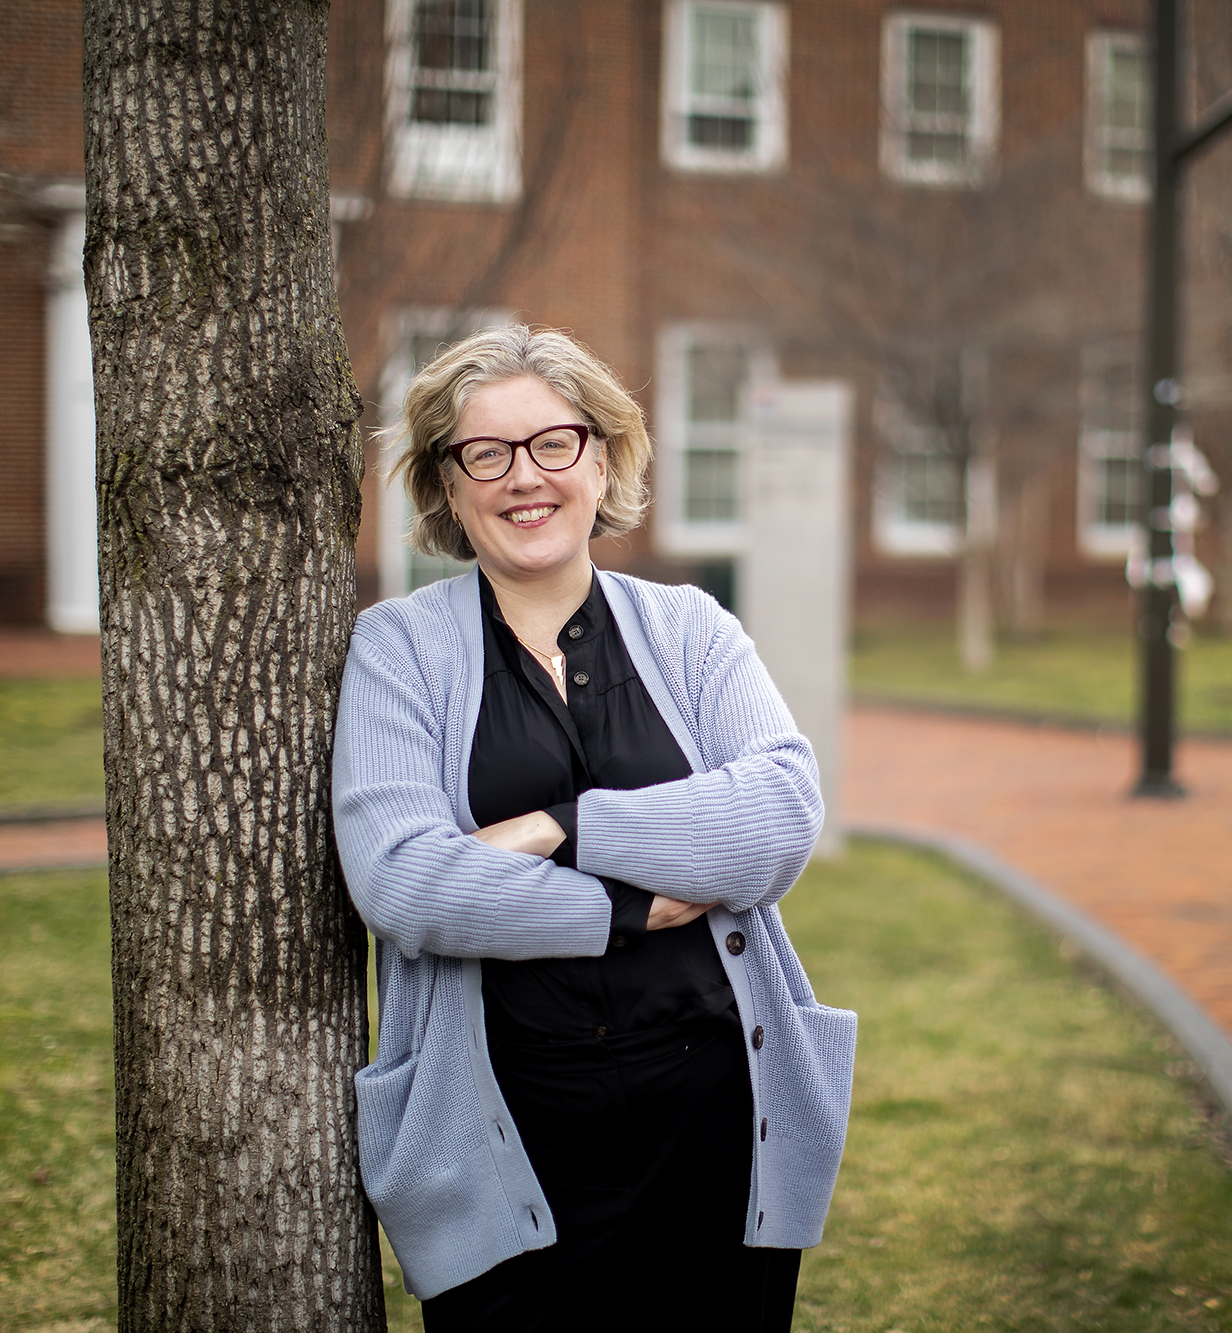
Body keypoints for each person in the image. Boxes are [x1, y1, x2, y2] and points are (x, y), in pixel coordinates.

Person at [333, 324, 856, 1331]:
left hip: (717, 1116)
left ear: (602, 457)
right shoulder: (395, 647)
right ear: (445, 485)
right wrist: (627, 904)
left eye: (552, 443)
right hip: (504, 1136)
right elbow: (404, 882)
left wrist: (550, 826)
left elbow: (778, 816)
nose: (522, 477)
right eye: (483, 452)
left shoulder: (691, 628)